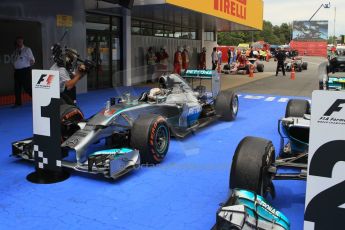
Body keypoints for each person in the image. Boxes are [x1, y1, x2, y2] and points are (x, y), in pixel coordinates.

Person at [11, 36, 35, 108]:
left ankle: (37, 100)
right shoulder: (15, 51)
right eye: (18, 41)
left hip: (25, 71)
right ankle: (18, 103)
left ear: (23, 41)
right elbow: (12, 60)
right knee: (17, 88)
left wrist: (31, 62)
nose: (19, 42)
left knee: (27, 88)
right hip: (17, 71)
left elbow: (32, 59)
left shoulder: (27, 49)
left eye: (20, 41)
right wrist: (14, 67)